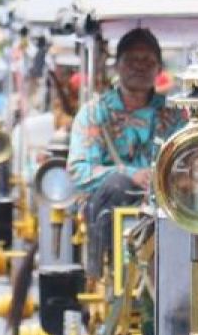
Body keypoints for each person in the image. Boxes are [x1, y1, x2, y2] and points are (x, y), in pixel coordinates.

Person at [68, 27, 186, 274]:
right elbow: (79, 171)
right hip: (110, 208)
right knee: (118, 184)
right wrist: (129, 174)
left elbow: (187, 162)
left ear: (159, 70)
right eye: (132, 60)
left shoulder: (174, 116)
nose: (140, 67)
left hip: (164, 205)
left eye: (148, 61)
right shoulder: (94, 113)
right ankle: (105, 271)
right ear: (117, 66)